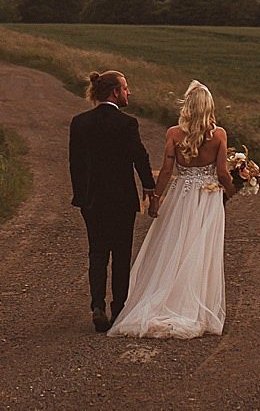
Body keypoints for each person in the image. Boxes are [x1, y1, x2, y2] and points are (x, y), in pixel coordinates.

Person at [106, 80, 232, 340]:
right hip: (207, 198)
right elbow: (221, 173)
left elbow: (166, 171)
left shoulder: (174, 133)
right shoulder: (219, 135)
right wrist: (232, 189)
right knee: (201, 250)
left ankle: (164, 299)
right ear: (209, 107)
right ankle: (193, 305)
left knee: (174, 246)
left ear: (187, 107)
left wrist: (156, 198)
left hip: (181, 197)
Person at [68, 68, 156, 332]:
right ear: (116, 92)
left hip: (92, 200)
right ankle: (119, 307)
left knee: (97, 252)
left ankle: (97, 305)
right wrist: (149, 187)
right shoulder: (127, 123)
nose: (129, 93)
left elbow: (76, 164)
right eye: (126, 88)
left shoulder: (80, 122)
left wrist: (81, 196)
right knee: (120, 254)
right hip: (121, 200)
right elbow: (139, 157)